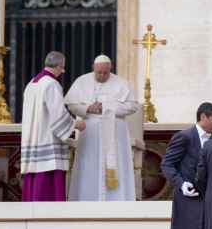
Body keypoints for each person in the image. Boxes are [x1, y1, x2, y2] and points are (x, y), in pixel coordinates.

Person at [65, 55, 139, 201]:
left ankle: (117, 199)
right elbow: (72, 105)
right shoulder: (82, 81)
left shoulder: (122, 83)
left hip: (115, 133)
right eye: (99, 72)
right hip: (90, 132)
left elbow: (133, 106)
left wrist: (107, 107)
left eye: (105, 73)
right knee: (89, 165)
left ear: (110, 69)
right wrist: (88, 108)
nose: (102, 76)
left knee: (116, 163)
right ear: (93, 68)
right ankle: (87, 198)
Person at [21, 51, 86, 201]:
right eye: (62, 68)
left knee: (33, 181)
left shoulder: (32, 83)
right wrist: (77, 124)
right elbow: (58, 116)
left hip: (33, 139)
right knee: (47, 184)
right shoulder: (51, 84)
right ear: (58, 66)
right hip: (47, 141)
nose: (62, 72)